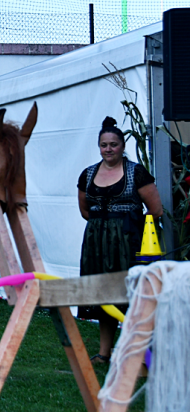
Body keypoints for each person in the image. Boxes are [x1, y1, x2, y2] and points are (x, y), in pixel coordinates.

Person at [77, 117, 162, 363]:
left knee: (131, 296)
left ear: (123, 146)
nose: (109, 149)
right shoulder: (88, 174)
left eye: (114, 144)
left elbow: (155, 210)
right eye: (104, 145)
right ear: (99, 146)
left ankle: (135, 352)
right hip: (96, 243)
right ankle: (104, 354)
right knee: (104, 296)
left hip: (128, 243)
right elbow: (85, 210)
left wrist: (125, 226)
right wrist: (102, 226)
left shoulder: (137, 172)